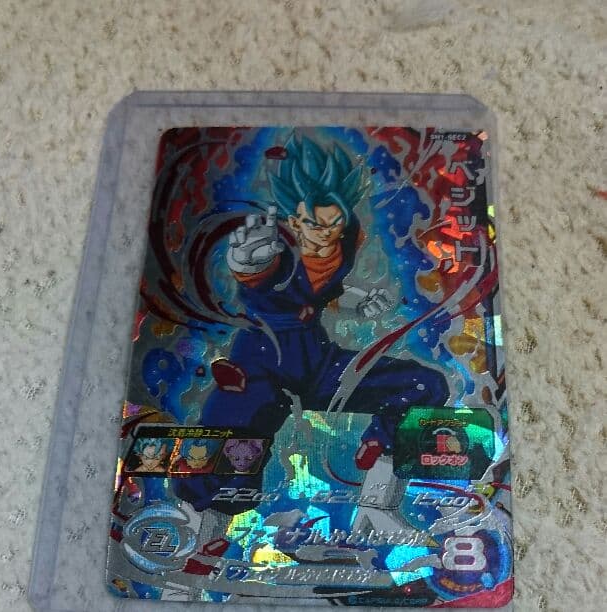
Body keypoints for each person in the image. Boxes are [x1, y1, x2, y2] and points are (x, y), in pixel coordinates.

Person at [173, 135, 449, 515]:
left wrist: (359, 301)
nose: (325, 235)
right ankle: (196, 519)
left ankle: (378, 492)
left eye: (333, 224)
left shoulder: (344, 243)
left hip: (317, 363)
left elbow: (326, 294)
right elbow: (260, 282)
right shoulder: (275, 251)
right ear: (294, 221)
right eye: (314, 225)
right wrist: (247, 267)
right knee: (226, 458)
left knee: (425, 384)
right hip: (262, 366)